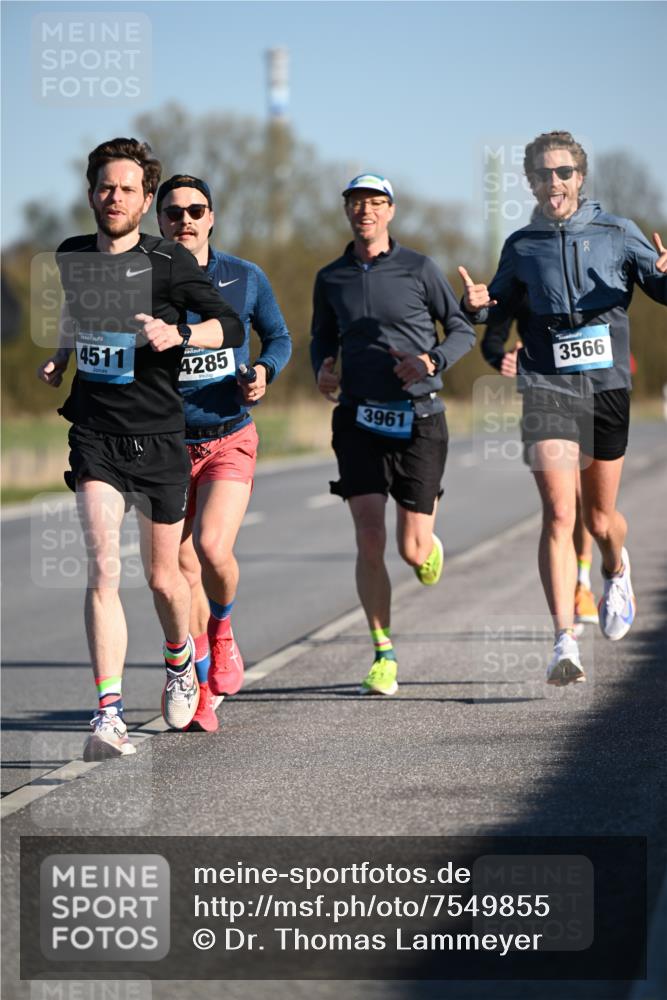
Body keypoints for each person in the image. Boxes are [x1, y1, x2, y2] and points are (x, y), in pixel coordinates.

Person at [37, 138, 244, 759]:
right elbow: (79, 316)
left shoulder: (171, 262)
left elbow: (229, 325)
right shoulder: (73, 255)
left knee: (162, 579)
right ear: (90, 191)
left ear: (145, 198)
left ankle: (181, 659)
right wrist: (61, 354)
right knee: (103, 569)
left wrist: (176, 330)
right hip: (95, 431)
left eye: (128, 189)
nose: (115, 198)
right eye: (105, 187)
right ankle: (108, 714)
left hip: (158, 435)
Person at [460, 131, 667, 685]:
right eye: (544, 174)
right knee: (558, 513)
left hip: (606, 388)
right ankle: (562, 641)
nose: (555, 183)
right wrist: (475, 305)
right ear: (530, 182)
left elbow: (660, 288)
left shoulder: (618, 232)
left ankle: (615, 568)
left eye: (564, 173)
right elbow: (494, 303)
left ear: (581, 177)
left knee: (600, 520)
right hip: (546, 385)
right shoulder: (522, 243)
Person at [311, 172, 476, 696]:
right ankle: (383, 652)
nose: (366, 211)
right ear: (347, 211)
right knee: (368, 535)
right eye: (357, 203)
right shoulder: (330, 276)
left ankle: (427, 544)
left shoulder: (419, 268)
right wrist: (323, 368)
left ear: (390, 211)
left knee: (409, 548)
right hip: (358, 417)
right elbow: (321, 338)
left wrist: (430, 360)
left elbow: (463, 329)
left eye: (375, 203)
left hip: (419, 417)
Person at [155, 174, 292, 732]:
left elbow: (279, 338)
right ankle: (203, 686)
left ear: (212, 217)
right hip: (163, 442)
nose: (184, 219)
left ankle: (224, 627)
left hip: (229, 433)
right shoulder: (141, 279)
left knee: (211, 548)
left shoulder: (244, 276)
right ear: (157, 220)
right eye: (172, 211)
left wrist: (262, 371)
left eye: (196, 209)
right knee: (179, 568)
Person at [481, 298, 599, 629]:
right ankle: (577, 591)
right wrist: (502, 358)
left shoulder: (586, 263)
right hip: (544, 396)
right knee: (562, 507)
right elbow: (492, 338)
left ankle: (589, 575)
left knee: (583, 500)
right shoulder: (521, 270)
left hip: (592, 391)